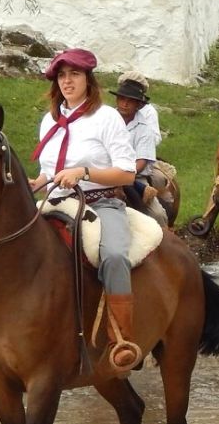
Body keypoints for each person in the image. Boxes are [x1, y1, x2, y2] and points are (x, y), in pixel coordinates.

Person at [29, 48, 143, 373]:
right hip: (56, 200)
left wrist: (85, 172)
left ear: (88, 80)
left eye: (74, 75)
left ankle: (122, 337)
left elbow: (127, 173)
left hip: (101, 201)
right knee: (6, 242)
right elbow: (49, 170)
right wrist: (34, 182)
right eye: (62, 76)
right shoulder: (49, 120)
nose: (67, 81)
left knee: (115, 255)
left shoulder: (106, 117)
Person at [113, 74, 167, 224]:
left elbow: (141, 161)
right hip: (103, 173)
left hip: (135, 176)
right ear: (117, 100)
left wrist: (123, 175)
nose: (125, 104)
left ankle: (163, 239)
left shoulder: (144, 129)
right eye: (122, 99)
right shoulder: (105, 121)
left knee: (157, 215)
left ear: (139, 105)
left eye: (130, 101)